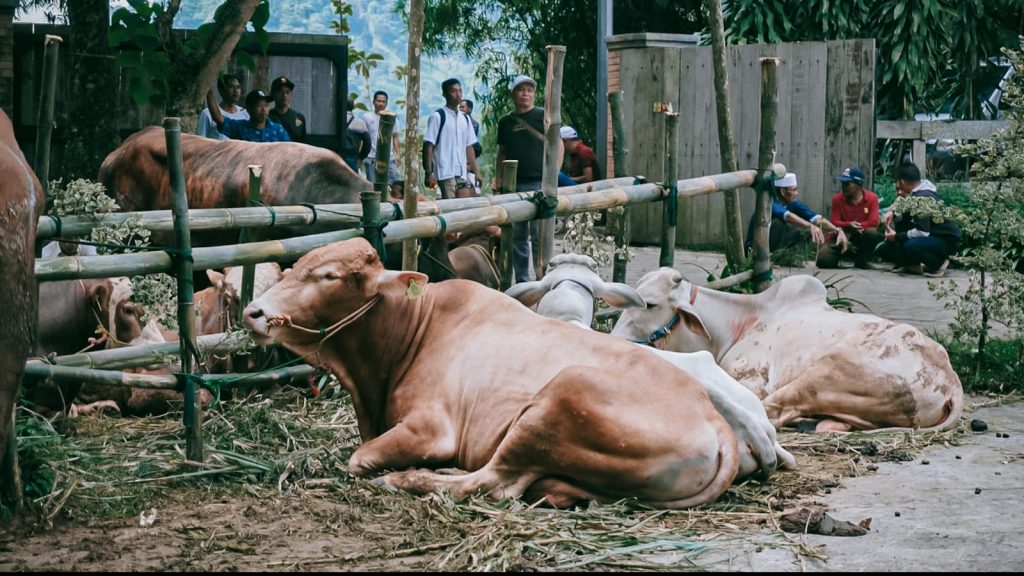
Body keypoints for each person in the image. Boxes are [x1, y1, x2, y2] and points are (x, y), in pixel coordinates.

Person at [495, 74, 563, 283]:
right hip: (513, 184)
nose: (525, 93)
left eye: (529, 90)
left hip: (539, 183)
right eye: (521, 90)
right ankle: (523, 281)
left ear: (534, 94)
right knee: (517, 236)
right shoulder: (506, 122)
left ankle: (542, 279)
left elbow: (558, 145)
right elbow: (502, 153)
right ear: (513, 94)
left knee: (540, 236)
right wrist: (498, 180)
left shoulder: (545, 117)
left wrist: (554, 175)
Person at [876, 162, 961, 277]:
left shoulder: (922, 198)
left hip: (944, 240)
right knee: (884, 249)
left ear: (902, 182)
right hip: (931, 236)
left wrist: (896, 236)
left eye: (898, 188)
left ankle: (939, 262)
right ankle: (912, 265)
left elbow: (922, 232)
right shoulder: (916, 192)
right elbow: (902, 204)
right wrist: (891, 211)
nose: (898, 192)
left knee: (910, 245)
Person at [744, 172, 847, 257]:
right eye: (794, 190)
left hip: (775, 245)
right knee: (780, 223)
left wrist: (837, 230)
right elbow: (787, 216)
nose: (797, 193)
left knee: (804, 230)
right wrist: (811, 226)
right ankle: (769, 258)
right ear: (783, 191)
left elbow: (817, 219)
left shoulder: (793, 203)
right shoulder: (770, 203)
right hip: (754, 250)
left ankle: (786, 257)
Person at [422, 78, 479, 199]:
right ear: (445, 94)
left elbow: (469, 147)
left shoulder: (465, 119)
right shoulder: (438, 116)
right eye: (453, 91)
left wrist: (476, 172)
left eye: (460, 91)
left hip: (462, 172)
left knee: (465, 205)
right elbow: (428, 145)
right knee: (453, 205)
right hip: (445, 171)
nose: (458, 94)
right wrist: (428, 173)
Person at [818, 166, 882, 269]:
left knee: (873, 233)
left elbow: (873, 221)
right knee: (823, 261)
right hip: (839, 235)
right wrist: (848, 225)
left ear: (858, 185)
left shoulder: (872, 198)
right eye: (842, 183)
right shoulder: (837, 199)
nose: (843, 186)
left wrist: (855, 228)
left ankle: (861, 259)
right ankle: (840, 256)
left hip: (860, 236)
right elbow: (834, 222)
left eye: (847, 184)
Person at [205, 88, 291, 143]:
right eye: (259, 106)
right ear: (249, 109)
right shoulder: (241, 127)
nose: (264, 109)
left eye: (266, 105)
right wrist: (208, 92)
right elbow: (219, 118)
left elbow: (289, 152)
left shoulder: (278, 130)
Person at [362, 90, 402, 186]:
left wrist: (398, 154)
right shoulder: (366, 117)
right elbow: (363, 136)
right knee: (372, 185)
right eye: (378, 101)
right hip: (371, 156)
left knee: (395, 183)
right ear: (374, 102)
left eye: (383, 101)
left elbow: (395, 136)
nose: (380, 103)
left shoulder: (391, 118)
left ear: (386, 103)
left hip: (389, 156)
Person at [196, 73, 248, 141]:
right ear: (221, 90)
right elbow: (201, 140)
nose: (236, 91)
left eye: (238, 87)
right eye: (231, 87)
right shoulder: (207, 113)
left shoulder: (246, 113)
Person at [268, 75, 307, 143]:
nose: (284, 95)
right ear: (273, 94)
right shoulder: (267, 117)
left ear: (291, 95)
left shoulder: (299, 117)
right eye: (280, 92)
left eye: (287, 92)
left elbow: (303, 144)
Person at [340, 98, 371, 174]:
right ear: (353, 107)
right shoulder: (360, 123)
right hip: (352, 157)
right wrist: (361, 157)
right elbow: (367, 143)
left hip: (336, 156)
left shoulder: (335, 121)